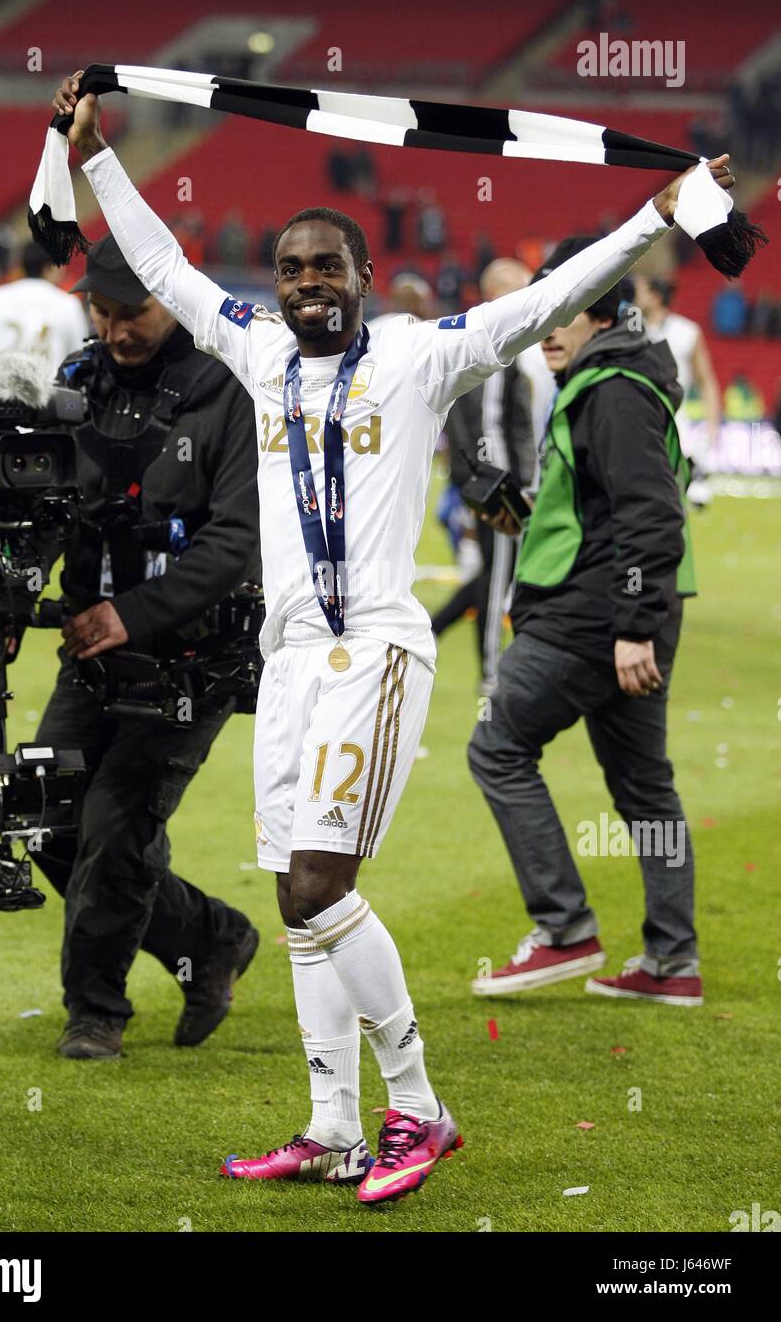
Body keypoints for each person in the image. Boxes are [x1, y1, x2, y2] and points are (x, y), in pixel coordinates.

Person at [54, 66, 733, 1202]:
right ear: (274, 283)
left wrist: (650, 218)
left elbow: (542, 297)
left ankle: (418, 1108)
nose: (311, 283)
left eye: (330, 267)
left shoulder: (420, 354)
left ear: (365, 281)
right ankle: (330, 1124)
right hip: (284, 658)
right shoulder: (259, 350)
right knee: (292, 896)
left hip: (374, 648)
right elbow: (164, 262)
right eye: (293, 268)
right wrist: (94, 153)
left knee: (322, 882)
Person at [0, 235, 261, 1060]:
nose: (115, 327)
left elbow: (234, 540)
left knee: (116, 828)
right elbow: (41, 514)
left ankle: (94, 1011)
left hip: (193, 660)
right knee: (49, 819)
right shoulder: (76, 385)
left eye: (132, 310)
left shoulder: (228, 391)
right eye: (101, 309)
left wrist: (132, 613)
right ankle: (212, 937)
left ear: (173, 299)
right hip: (91, 654)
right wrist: (6, 613)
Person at [468, 237, 702, 1008]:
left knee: (497, 747)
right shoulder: (624, 378)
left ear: (600, 310)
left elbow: (649, 512)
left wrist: (632, 623)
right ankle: (672, 964)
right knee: (645, 791)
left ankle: (564, 928)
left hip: (595, 618)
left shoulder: (611, 388)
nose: (548, 331)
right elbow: (608, 512)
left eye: (562, 311)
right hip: (626, 612)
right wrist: (525, 521)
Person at [431, 259, 536, 689]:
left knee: (494, 572)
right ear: (497, 294)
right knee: (498, 577)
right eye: (520, 291)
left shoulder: (482, 344)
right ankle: (493, 672)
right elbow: (489, 426)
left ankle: (434, 627)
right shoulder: (492, 349)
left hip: (486, 478)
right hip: (499, 482)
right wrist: (506, 484)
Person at [0, 241, 87, 392]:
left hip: (1, 401)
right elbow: (79, 358)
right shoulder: (68, 304)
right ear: (49, 267)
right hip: (50, 403)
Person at [635, 274, 722, 448]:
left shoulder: (687, 331)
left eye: (640, 292)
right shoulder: (630, 329)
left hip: (676, 424)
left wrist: (712, 426)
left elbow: (706, 381)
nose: (633, 297)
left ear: (655, 298)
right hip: (636, 419)